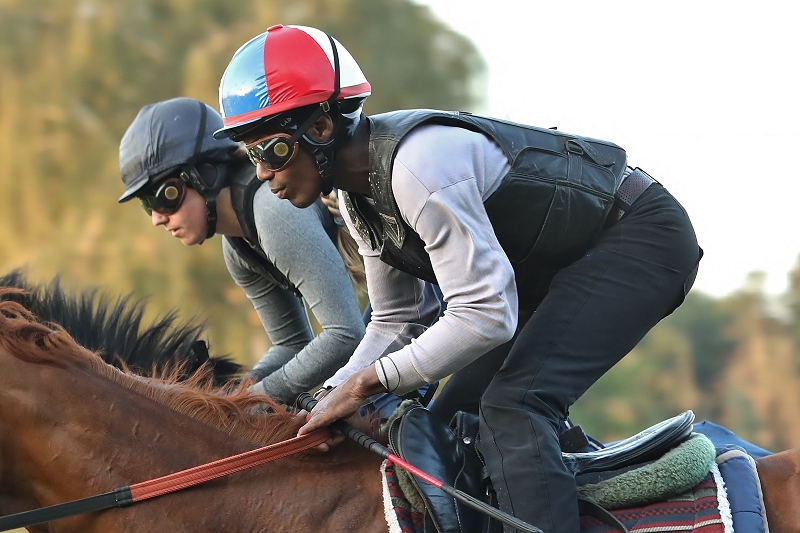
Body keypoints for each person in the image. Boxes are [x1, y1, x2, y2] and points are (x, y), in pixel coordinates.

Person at [214, 25, 703, 533]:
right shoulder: (356, 198)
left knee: (514, 407)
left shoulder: (418, 167)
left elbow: (487, 314)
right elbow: (397, 318)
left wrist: (365, 383)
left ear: (320, 128)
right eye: (251, 156)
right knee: (443, 424)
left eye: (270, 152)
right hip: (555, 269)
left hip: (640, 236)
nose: (262, 173)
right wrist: (330, 393)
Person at [117, 97, 367, 406]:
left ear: (205, 174)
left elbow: (345, 335)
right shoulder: (237, 247)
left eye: (162, 197)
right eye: (147, 206)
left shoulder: (273, 213)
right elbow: (291, 345)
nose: (157, 218)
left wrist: (247, 403)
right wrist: (231, 392)